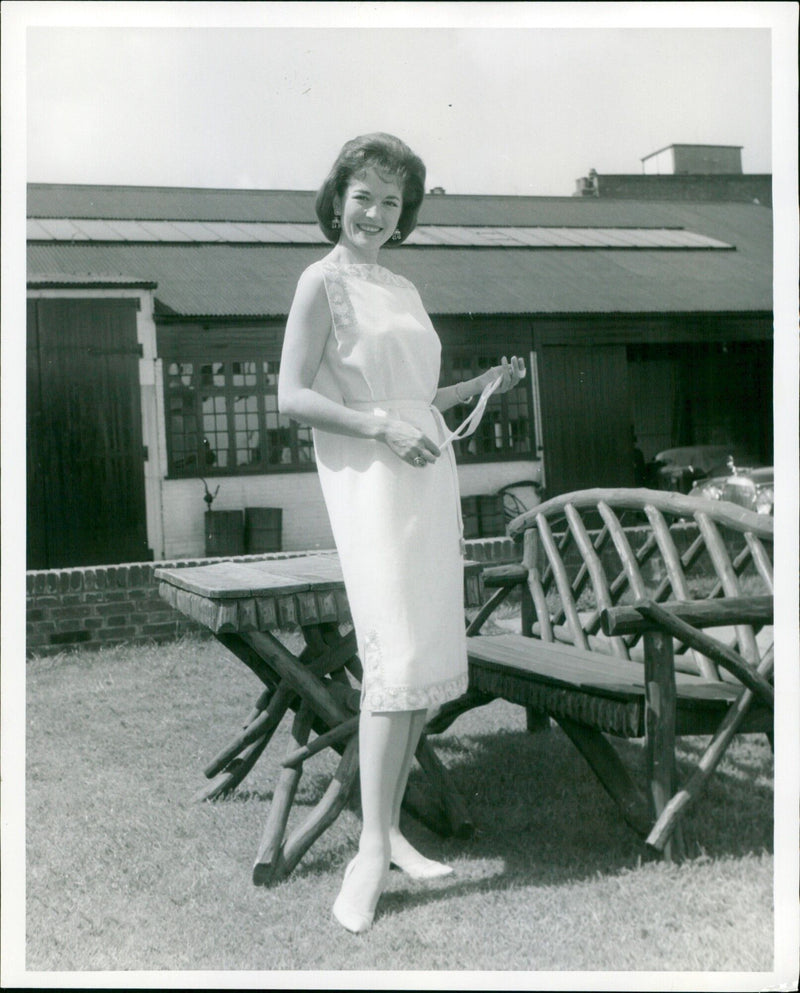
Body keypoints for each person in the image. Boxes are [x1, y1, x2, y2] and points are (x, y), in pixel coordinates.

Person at [278, 133, 525, 933]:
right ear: (337, 195)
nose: (377, 213)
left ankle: (388, 835)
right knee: (389, 659)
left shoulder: (403, 287)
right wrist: (380, 430)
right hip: (374, 478)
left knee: (416, 654)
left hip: (426, 472)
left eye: (392, 201)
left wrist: (477, 386)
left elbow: (415, 394)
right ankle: (368, 852)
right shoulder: (320, 283)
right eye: (365, 195)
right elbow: (290, 396)